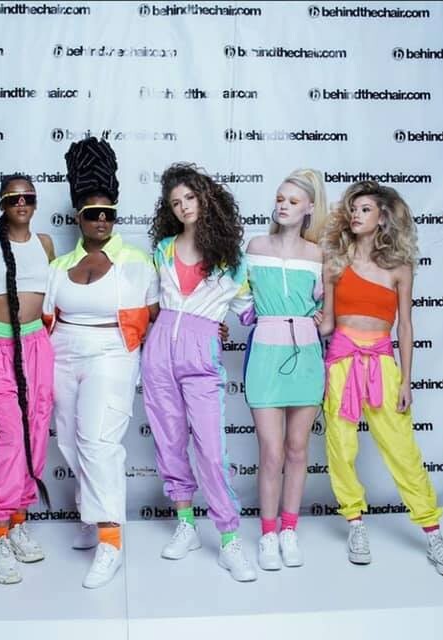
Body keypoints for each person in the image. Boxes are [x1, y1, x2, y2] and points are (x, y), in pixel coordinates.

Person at [319, 180, 443, 577]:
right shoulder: (335, 262)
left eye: (365, 209)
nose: (356, 215)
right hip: (341, 361)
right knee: (341, 447)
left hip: (382, 363)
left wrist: (406, 381)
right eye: (353, 209)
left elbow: (406, 327)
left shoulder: (400, 267)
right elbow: (327, 323)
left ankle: (433, 532)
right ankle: (355, 524)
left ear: (382, 217)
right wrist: (298, 320)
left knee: (402, 450)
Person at [43, 137, 159, 588]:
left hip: (111, 353)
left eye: (109, 213)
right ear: (79, 217)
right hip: (63, 353)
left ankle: (111, 539)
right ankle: (90, 519)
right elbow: (47, 316)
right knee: (71, 442)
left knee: (98, 442)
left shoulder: (136, 261)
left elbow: (158, 312)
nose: (103, 221)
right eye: (94, 213)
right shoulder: (59, 266)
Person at [142, 162, 257, 582]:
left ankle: (229, 540)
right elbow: (153, 303)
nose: (184, 206)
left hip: (202, 359)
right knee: (169, 443)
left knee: (211, 450)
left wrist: (307, 310)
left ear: (207, 198)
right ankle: (186, 524)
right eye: (176, 202)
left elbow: (250, 312)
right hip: (159, 355)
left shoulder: (232, 260)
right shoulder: (163, 249)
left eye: (190, 197)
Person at [0, 174, 55, 584]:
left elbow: (53, 299)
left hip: (37, 345)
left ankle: (19, 521)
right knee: (11, 439)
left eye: (28, 197)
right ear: (2, 204)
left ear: (35, 203)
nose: (21, 203)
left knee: (36, 433)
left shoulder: (46, 244)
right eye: (13, 198)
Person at [243, 169, 328, 571]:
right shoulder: (256, 245)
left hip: (307, 354)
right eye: (280, 199)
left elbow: (328, 310)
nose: (283, 206)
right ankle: (268, 533)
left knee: (297, 449)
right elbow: (239, 296)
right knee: (271, 451)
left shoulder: (318, 255)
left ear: (309, 208)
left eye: (293, 201)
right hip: (265, 353)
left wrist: (324, 314)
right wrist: (246, 313)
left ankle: (289, 529)